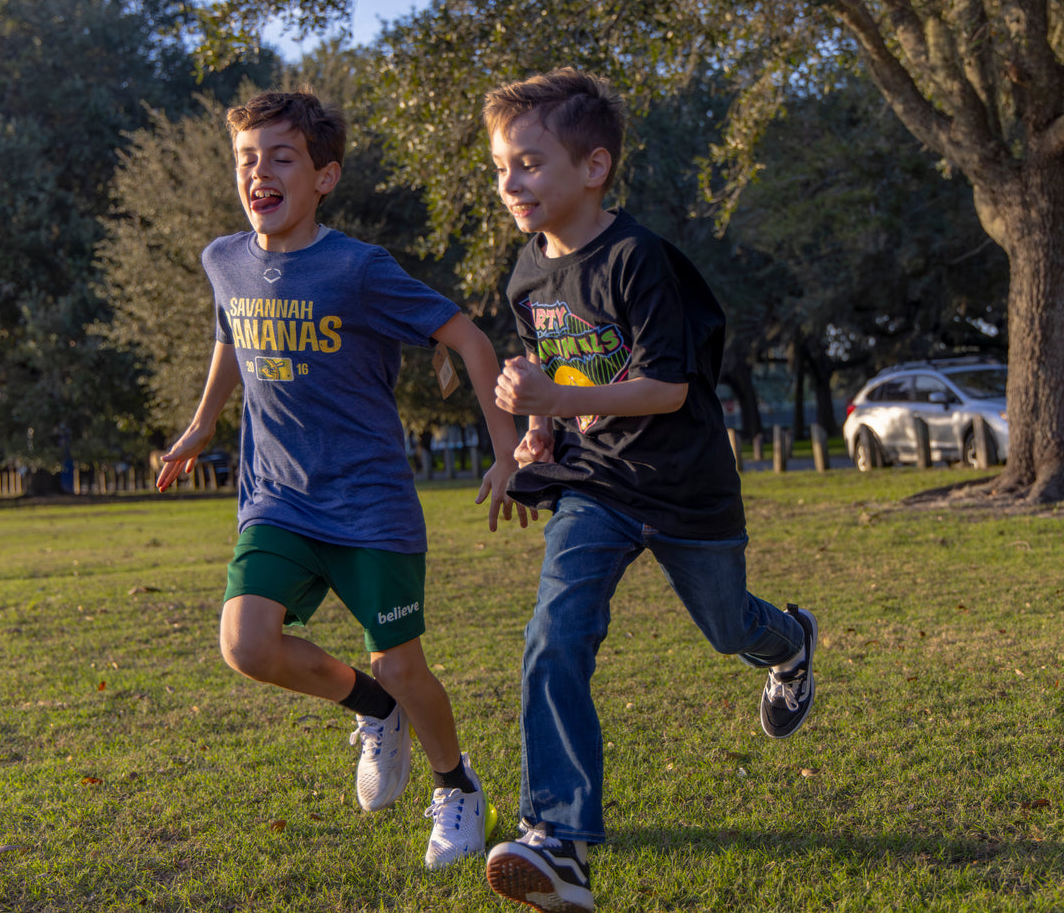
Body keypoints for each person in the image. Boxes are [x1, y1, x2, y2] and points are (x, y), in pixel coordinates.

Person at [155, 90, 527, 871]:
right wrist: (201, 425)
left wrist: (506, 450)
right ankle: (370, 706)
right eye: (246, 159)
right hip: (276, 499)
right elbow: (229, 336)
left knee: (403, 662)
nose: (259, 172)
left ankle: (455, 786)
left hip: (369, 504)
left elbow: (465, 334)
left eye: (280, 158)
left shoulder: (358, 269)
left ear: (323, 177)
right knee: (246, 646)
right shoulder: (224, 258)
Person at [481, 69, 819, 913]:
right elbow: (557, 378)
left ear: (592, 168)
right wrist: (538, 433)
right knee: (555, 633)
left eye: (529, 163)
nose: (510, 183)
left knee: (724, 625)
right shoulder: (524, 277)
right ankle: (555, 840)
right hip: (595, 487)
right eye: (500, 167)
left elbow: (665, 388)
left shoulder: (637, 261)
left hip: (684, 483)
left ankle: (787, 644)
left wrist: (556, 400)